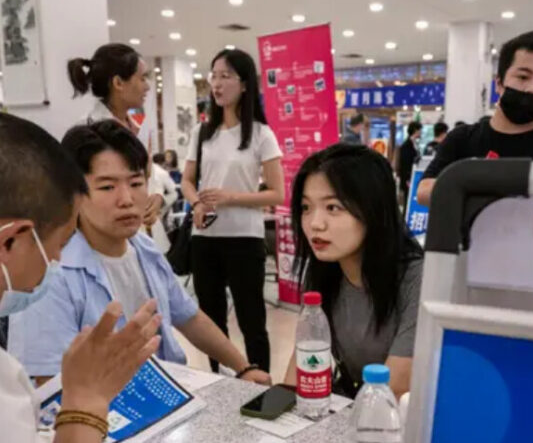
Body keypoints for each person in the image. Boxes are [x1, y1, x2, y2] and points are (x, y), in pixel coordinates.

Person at [0, 111, 162, 443]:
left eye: (136, 183)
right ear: (9, 240)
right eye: (59, 245)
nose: (58, 260)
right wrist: (86, 400)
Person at [8, 121, 271, 387]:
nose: (126, 199)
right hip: (102, 414)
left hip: (165, 392)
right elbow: (48, 383)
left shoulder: (144, 249)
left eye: (135, 183)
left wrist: (243, 367)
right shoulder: (49, 276)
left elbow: (190, 317)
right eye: (107, 187)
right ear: (73, 194)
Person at [284, 145, 424, 399]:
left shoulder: (417, 278)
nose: (315, 223)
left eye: (333, 208)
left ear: (373, 210)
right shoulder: (323, 272)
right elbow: (303, 363)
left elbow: (393, 390)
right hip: (351, 403)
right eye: (306, 207)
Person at [182, 49, 285, 374]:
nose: (217, 82)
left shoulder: (260, 134)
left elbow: (278, 193)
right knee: (211, 322)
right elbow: (186, 180)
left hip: (245, 238)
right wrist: (197, 202)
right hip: (205, 238)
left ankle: (260, 384)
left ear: (244, 84)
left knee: (252, 320)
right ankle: (220, 384)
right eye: (214, 75)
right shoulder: (202, 133)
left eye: (226, 75)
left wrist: (230, 197)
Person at [417, 30, 533, 206]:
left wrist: (473, 187)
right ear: (499, 83)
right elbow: (424, 191)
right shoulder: (461, 138)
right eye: (523, 77)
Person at [67, 43, 167, 247]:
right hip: (102, 241)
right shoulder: (86, 131)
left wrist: (156, 195)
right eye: (142, 78)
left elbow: (147, 173)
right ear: (118, 83)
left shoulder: (136, 126)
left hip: (139, 234)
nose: (147, 86)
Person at [398, 121, 422, 198]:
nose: (421, 132)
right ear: (415, 130)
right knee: (407, 200)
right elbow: (404, 164)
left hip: (413, 177)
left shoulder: (415, 144)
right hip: (408, 179)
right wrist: (407, 179)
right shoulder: (406, 146)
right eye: (420, 130)